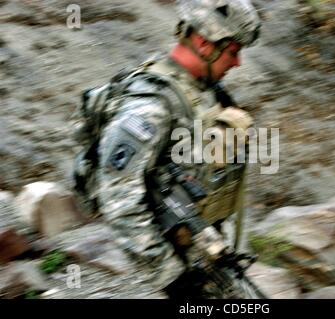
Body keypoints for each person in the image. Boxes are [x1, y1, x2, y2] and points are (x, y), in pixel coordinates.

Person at [72, 0, 261, 298]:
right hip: (178, 265)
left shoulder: (204, 91)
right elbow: (119, 200)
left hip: (206, 250)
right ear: (203, 42)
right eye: (233, 51)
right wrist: (171, 276)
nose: (237, 63)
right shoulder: (149, 107)